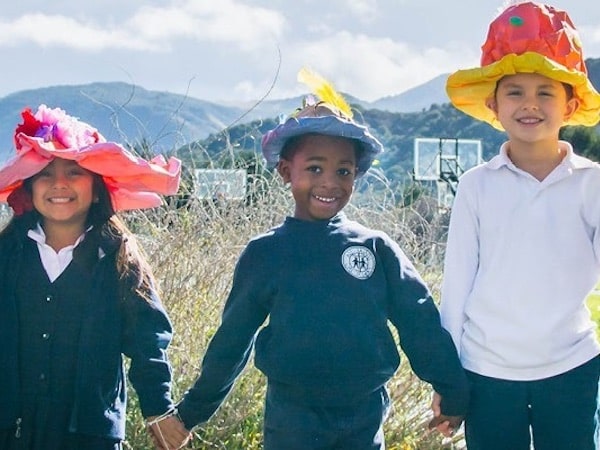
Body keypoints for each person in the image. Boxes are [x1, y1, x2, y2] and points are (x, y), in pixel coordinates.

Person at [153, 68, 470, 450]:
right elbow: (232, 342)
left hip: (364, 415)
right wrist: (189, 414)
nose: (330, 182)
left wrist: (452, 390)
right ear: (287, 172)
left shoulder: (375, 249)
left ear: (357, 175)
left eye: (344, 171)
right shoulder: (266, 254)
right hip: (292, 420)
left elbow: (419, 322)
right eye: (314, 168)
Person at [434, 2, 600, 449]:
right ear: (494, 105)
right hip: (487, 371)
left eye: (546, 91)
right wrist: (449, 378)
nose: (530, 103)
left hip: (572, 366)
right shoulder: (476, 186)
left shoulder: (593, 184)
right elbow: (457, 285)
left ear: (570, 104)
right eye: (515, 92)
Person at [0, 104, 184, 450]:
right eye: (44, 173)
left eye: (74, 173)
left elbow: (149, 340)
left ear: (97, 187)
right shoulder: (7, 256)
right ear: (28, 187)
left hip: (89, 436)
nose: (59, 185)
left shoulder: (118, 259)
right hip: (12, 432)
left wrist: (159, 409)